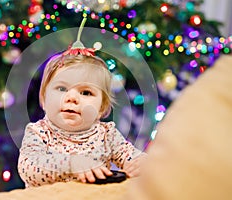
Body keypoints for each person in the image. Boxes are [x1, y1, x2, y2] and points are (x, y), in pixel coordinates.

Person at [18, 18, 147, 187]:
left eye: (86, 92)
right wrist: (71, 163)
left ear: (101, 108)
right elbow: (28, 168)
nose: (71, 98)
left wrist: (142, 163)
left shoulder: (106, 135)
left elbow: (130, 156)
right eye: (62, 89)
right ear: (44, 99)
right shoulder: (39, 133)